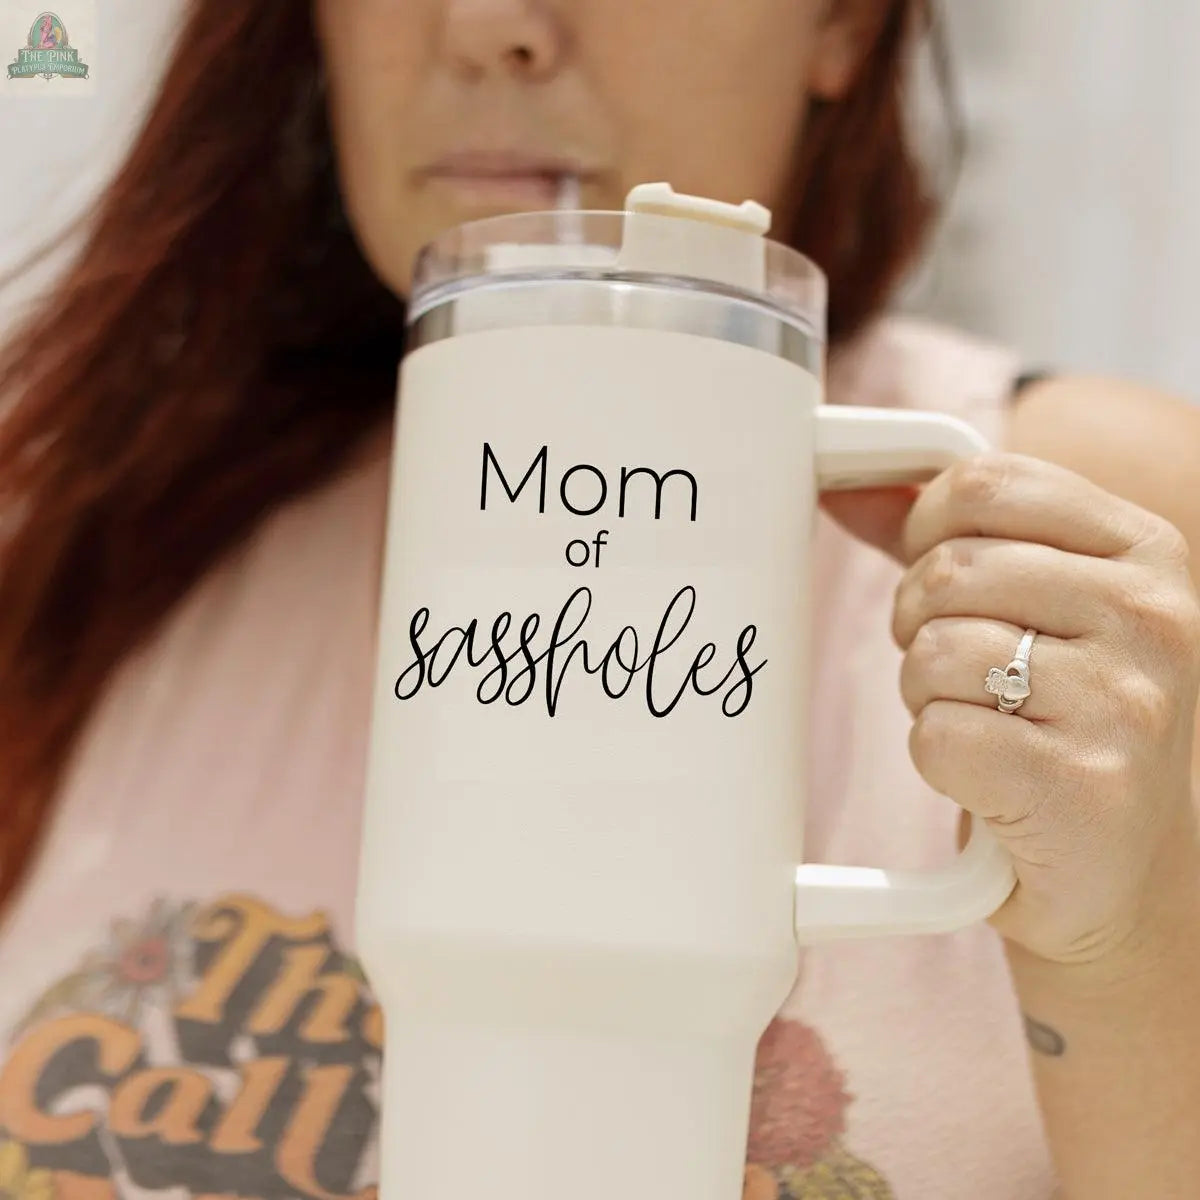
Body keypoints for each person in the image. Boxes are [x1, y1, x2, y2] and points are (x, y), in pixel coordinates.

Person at [0, 2, 1197, 1198]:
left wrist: (1126, 952)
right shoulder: (112, 535)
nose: (486, 29)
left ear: (840, 24)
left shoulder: (1101, 539)